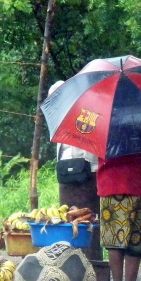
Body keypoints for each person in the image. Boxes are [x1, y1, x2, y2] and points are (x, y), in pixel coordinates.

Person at [50, 81, 102, 261]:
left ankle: (92, 261)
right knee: (67, 219)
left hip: (88, 174)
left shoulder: (87, 111)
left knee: (89, 220)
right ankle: (70, 261)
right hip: (66, 176)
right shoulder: (57, 117)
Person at [96, 152, 141, 281]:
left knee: (113, 238)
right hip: (139, 180)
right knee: (136, 238)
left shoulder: (105, 136)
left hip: (110, 181)